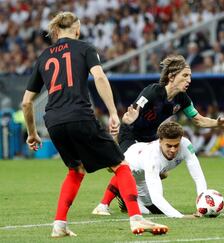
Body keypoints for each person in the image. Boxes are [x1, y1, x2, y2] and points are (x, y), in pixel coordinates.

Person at [21, 12, 168, 237]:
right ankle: (136, 219)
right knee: (121, 164)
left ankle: (59, 225)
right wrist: (112, 112)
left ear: (56, 31)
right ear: (77, 30)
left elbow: (26, 102)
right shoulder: (84, 48)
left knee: (76, 169)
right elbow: (99, 77)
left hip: (54, 121)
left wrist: (32, 133)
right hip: (79, 115)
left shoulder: (44, 56)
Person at [92, 54, 224, 215]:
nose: (189, 80)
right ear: (171, 76)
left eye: (189, 76)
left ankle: (129, 197)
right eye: (185, 76)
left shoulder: (182, 99)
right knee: (126, 167)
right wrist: (129, 118)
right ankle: (103, 205)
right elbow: (132, 113)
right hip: (131, 134)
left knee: (160, 172)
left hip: (150, 136)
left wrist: (217, 123)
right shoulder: (153, 92)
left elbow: (198, 120)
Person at [116, 121, 207, 218]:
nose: (173, 150)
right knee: (149, 211)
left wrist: (202, 206)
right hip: (129, 168)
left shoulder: (186, 145)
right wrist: (181, 217)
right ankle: (122, 194)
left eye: (176, 145)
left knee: (157, 208)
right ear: (160, 141)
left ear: (181, 139)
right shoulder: (152, 158)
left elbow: (198, 177)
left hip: (146, 170)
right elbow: (156, 197)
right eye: (169, 146)